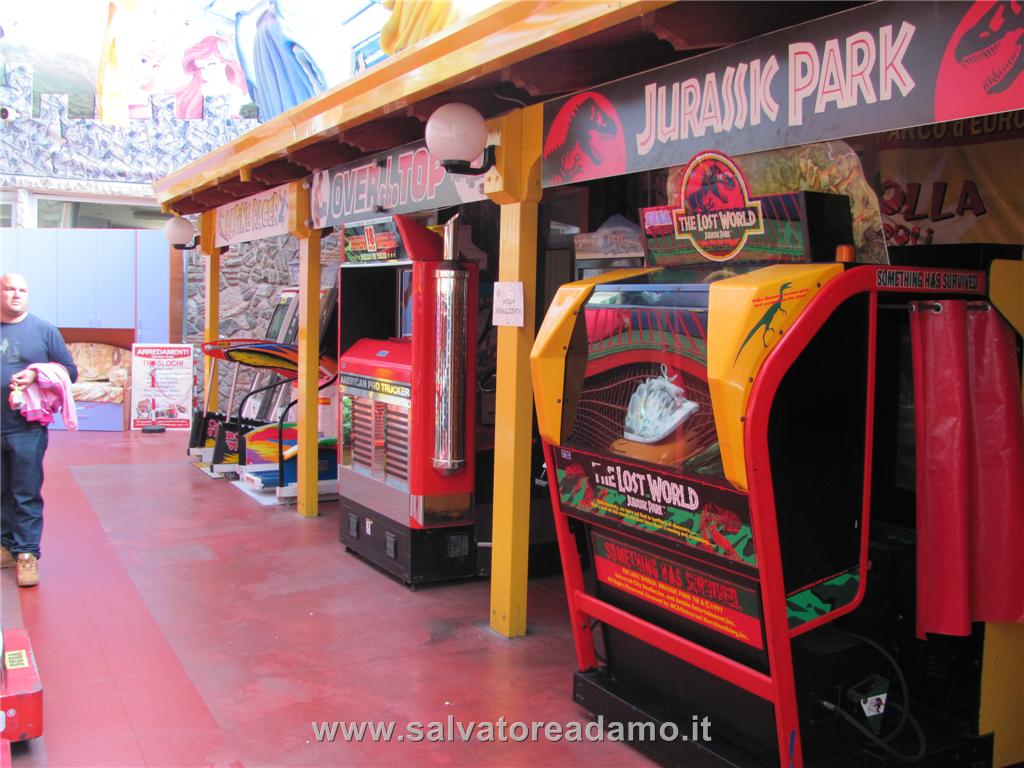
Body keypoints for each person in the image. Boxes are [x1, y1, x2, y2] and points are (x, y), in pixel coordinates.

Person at [1, 273, 78, 587]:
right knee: (1, 491)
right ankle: (5, 547)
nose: (17, 294)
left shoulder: (44, 330)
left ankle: (27, 554)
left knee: (25, 492)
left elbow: (70, 371)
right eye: (9, 289)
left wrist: (36, 375)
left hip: (27, 429)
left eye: (22, 290)